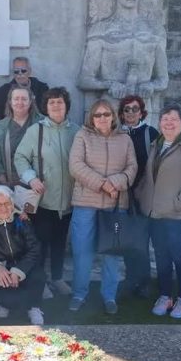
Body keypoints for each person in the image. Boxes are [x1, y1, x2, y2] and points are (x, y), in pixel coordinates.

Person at [136, 103, 181, 319]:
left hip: (176, 215)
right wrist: (141, 196)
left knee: (179, 256)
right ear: (160, 123)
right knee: (161, 257)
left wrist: (179, 202)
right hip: (155, 214)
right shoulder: (156, 145)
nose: (169, 123)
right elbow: (149, 177)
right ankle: (165, 296)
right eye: (165, 119)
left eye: (173, 119)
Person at [68, 99, 138, 314]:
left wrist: (115, 183)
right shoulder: (82, 136)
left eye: (106, 114)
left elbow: (132, 168)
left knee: (112, 254)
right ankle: (79, 294)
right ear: (92, 118)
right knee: (82, 252)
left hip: (115, 205)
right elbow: (76, 166)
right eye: (97, 115)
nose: (102, 118)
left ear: (113, 116)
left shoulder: (125, 139)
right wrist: (103, 184)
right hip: (85, 204)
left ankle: (109, 296)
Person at [14, 87, 80, 296]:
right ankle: (40, 284)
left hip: (68, 201)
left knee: (60, 242)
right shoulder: (36, 130)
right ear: (46, 107)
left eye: (60, 101)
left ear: (66, 105)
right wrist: (31, 178)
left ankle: (57, 278)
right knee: (40, 244)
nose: (56, 105)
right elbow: (20, 157)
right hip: (43, 200)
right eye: (52, 102)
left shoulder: (76, 131)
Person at [77, 0, 168, 126]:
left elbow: (163, 79)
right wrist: (110, 84)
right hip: (110, 107)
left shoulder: (155, 30)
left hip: (142, 107)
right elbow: (84, 80)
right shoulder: (101, 29)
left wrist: (151, 85)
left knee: (143, 140)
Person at [0, 185, 45, 324]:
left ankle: (34, 307)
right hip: (3, 270)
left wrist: (19, 270)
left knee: (38, 276)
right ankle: (3, 302)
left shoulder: (21, 221)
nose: (4, 208)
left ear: (12, 204)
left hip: (23, 266)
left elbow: (35, 248)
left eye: (7, 203)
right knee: (11, 300)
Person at [118, 95, 159, 299]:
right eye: (127, 109)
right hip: (121, 194)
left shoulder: (150, 134)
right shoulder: (117, 134)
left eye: (135, 109)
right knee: (127, 240)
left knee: (141, 241)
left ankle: (143, 282)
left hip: (142, 195)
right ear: (122, 113)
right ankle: (130, 278)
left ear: (141, 112)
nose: (131, 113)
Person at [0, 86, 43, 186]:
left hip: (38, 183)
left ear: (30, 102)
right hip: (11, 182)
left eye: (24, 99)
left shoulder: (42, 123)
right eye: (16, 99)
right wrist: (2, 179)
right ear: (10, 102)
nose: (20, 102)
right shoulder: (1, 127)